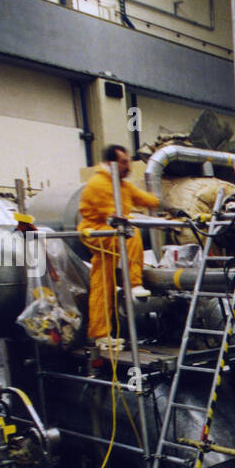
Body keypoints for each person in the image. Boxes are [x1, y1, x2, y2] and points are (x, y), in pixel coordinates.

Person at [78, 144, 161, 346]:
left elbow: (147, 200)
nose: (128, 166)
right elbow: (115, 216)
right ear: (110, 163)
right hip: (98, 232)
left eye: (128, 161)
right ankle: (134, 283)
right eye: (123, 162)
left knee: (102, 284)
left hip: (110, 232)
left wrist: (169, 208)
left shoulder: (121, 184)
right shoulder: (99, 184)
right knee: (131, 233)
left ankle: (100, 334)